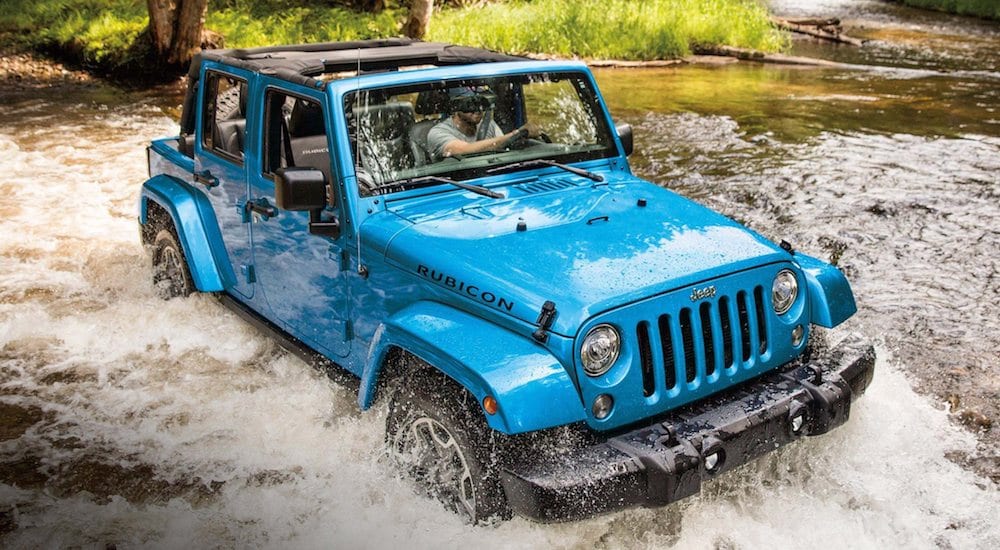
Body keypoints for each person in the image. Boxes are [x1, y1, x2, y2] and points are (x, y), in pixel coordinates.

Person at [427, 86, 542, 160]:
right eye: (471, 104)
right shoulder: (438, 132)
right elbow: (464, 150)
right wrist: (516, 133)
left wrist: (522, 136)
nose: (479, 109)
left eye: (483, 103)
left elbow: (503, 148)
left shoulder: (488, 125)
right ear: (455, 107)